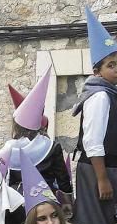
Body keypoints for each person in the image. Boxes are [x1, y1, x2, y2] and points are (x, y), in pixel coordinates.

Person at [71, 6, 117, 224]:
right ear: (98, 71)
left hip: (108, 170)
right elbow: (92, 141)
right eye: (111, 65)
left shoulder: (110, 94)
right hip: (98, 170)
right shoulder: (99, 96)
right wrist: (102, 179)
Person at [5, 72, 74, 206]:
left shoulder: (10, 147)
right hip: (45, 200)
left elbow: (7, 179)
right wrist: (68, 205)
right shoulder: (51, 147)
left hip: (17, 202)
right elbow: (63, 180)